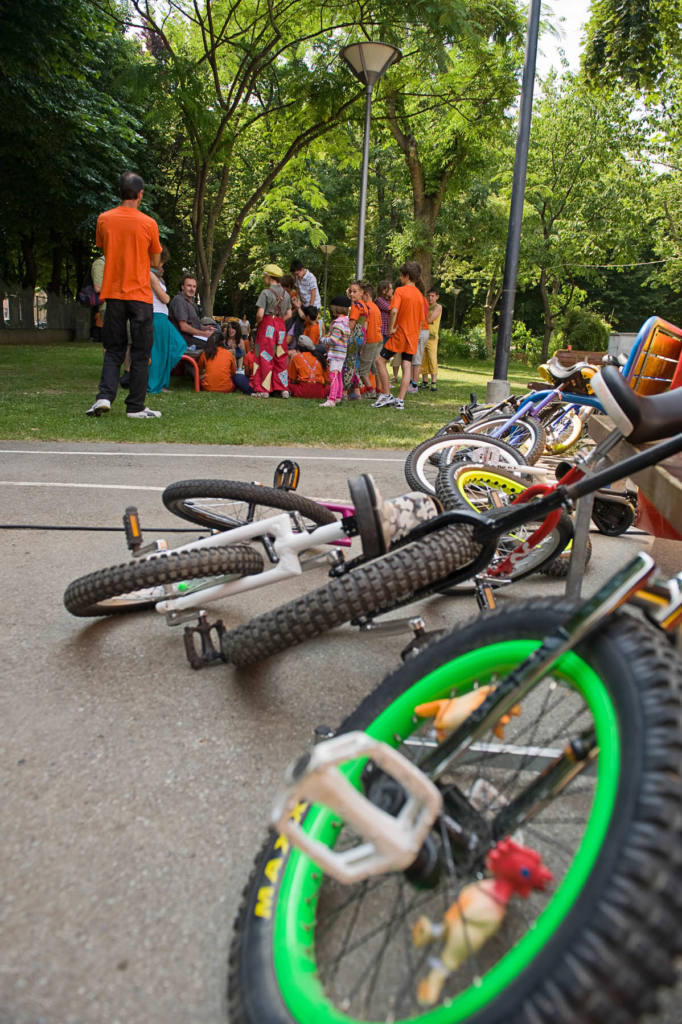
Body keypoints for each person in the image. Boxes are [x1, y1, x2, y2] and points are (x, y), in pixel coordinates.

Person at [86, 170, 163, 419]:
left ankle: (104, 397)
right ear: (140, 194)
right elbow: (155, 258)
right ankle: (136, 407)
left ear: (120, 193)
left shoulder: (104, 219)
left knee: (114, 349)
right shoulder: (149, 223)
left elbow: (103, 245)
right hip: (140, 295)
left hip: (114, 293)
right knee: (141, 353)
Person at [372, 261, 428, 411]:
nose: (400, 278)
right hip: (413, 335)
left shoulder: (400, 291)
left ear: (407, 276)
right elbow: (422, 318)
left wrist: (391, 328)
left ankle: (386, 394)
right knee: (406, 365)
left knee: (379, 360)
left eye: (401, 275)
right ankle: (400, 400)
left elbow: (394, 311)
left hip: (400, 333)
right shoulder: (420, 296)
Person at [147, 246, 188, 394]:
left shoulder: (156, 276)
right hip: (156, 315)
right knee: (157, 352)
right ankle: (154, 385)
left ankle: (161, 382)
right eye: (161, 261)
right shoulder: (149, 274)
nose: (162, 265)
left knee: (177, 345)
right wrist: (167, 297)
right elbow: (164, 298)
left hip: (163, 317)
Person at [250, 264, 292, 397]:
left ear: (268, 277)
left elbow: (260, 314)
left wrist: (259, 323)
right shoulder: (286, 295)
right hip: (280, 326)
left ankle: (263, 390)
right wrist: (278, 322)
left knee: (264, 355)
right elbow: (289, 314)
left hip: (267, 324)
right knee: (281, 356)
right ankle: (283, 388)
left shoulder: (266, 292)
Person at [319, 295, 351, 407]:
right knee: (338, 375)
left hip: (336, 354)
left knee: (333, 375)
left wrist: (323, 339)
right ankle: (338, 396)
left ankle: (331, 399)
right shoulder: (346, 322)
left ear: (336, 309)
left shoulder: (338, 324)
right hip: (341, 354)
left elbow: (333, 340)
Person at [168, 275, 215, 350]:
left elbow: (192, 325)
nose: (192, 289)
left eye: (194, 286)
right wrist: (203, 334)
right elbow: (183, 327)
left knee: (218, 336)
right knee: (214, 344)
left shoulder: (191, 303)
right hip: (184, 340)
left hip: (192, 337)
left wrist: (205, 328)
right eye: (189, 286)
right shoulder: (179, 300)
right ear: (182, 287)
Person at [420, 287, 443, 391]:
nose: (430, 298)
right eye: (428, 296)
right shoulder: (424, 306)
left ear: (437, 297)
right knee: (422, 358)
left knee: (432, 358)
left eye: (432, 296)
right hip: (422, 335)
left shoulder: (438, 307)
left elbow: (430, 319)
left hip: (432, 337)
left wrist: (419, 319)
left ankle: (434, 382)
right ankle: (424, 381)